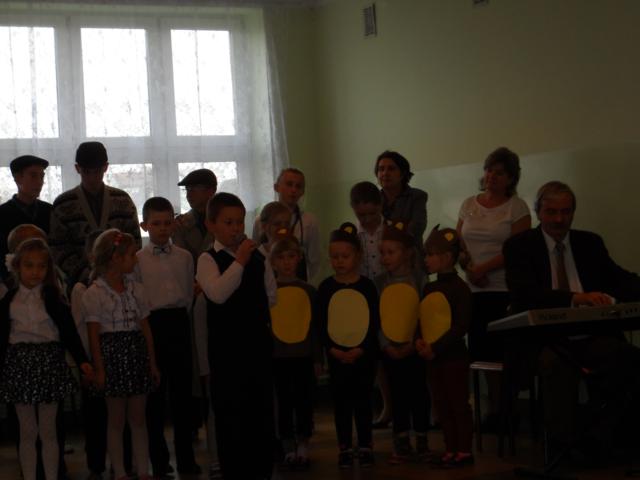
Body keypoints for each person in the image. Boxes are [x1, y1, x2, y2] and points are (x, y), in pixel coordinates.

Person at [503, 181, 640, 458]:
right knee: (556, 365)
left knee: (629, 358)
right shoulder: (520, 246)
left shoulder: (590, 243)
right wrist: (575, 298)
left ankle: (607, 438)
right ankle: (562, 447)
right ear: (538, 212)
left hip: (590, 335)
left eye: (566, 212)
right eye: (551, 212)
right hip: (544, 340)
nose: (559, 219)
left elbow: (618, 279)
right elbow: (524, 294)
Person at [196, 192, 277, 480]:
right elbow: (217, 294)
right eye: (228, 222)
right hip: (227, 354)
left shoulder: (259, 256)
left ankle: (262, 469)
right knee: (231, 417)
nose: (235, 228)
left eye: (239, 222)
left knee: (260, 413)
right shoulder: (207, 259)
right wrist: (240, 262)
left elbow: (271, 295)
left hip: (257, 348)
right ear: (211, 225)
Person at [0, 238, 93, 480]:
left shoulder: (52, 297)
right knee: (27, 431)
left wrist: (82, 360)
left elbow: (69, 331)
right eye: (29, 266)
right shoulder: (9, 301)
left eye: (41, 266)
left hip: (49, 363)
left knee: (49, 430)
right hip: (19, 366)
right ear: (17, 267)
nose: (35, 272)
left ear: (48, 269)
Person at [456, 147, 530, 426]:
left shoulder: (516, 207)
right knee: (482, 350)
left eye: (499, 173)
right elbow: (458, 243)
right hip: (474, 289)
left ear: (510, 178)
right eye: (489, 170)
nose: (491, 176)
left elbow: (517, 249)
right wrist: (469, 268)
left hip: (503, 288)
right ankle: (494, 407)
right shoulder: (469, 203)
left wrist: (484, 269)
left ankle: (508, 408)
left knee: (504, 351)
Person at [83, 229, 160, 480]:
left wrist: (152, 362)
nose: (135, 259)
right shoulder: (95, 293)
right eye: (131, 255)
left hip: (136, 354)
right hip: (112, 357)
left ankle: (143, 469)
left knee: (138, 418)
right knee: (115, 420)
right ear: (116, 258)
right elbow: (94, 335)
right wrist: (100, 369)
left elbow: (145, 328)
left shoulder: (136, 289)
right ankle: (119, 471)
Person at [136, 197, 200, 477]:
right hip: (152, 326)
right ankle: (160, 461)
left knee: (182, 396)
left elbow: (187, 295)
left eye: (167, 223)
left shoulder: (185, 257)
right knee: (155, 398)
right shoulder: (137, 260)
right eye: (156, 223)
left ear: (174, 224)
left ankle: (187, 459)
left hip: (179, 323)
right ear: (145, 226)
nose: (162, 229)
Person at [317, 223, 379, 469]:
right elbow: (321, 323)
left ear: (358, 256)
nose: (340, 261)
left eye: (345, 256)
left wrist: (361, 349)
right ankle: (344, 446)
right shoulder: (326, 288)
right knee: (341, 403)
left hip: (363, 355)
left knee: (363, 400)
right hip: (336, 356)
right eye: (335, 257)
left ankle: (365, 445)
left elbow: (374, 322)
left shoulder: (367, 287)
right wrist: (332, 350)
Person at [416, 226, 474, 467]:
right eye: (426, 255)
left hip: (453, 357)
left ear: (447, 257)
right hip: (433, 358)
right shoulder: (429, 287)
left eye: (430, 254)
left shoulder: (460, 289)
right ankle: (450, 448)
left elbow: (460, 326)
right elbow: (423, 319)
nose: (426, 259)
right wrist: (420, 341)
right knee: (441, 404)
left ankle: (464, 450)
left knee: (458, 403)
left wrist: (436, 347)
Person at [49, 142, 141, 291]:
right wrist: (87, 276)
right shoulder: (63, 204)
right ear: (77, 168)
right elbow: (59, 249)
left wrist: (115, 272)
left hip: (120, 282)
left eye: (97, 171)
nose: (92, 178)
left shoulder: (123, 201)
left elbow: (133, 241)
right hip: (81, 285)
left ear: (106, 167)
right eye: (86, 172)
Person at [376, 222, 430, 464]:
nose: (385, 258)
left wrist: (415, 342)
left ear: (407, 253)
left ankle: (422, 436)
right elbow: (377, 318)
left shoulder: (420, 279)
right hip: (390, 349)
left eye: (391, 252)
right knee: (397, 395)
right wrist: (386, 345)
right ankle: (401, 439)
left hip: (415, 348)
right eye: (382, 253)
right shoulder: (379, 282)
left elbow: (425, 315)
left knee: (419, 393)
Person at [270, 235, 322, 470]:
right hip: (278, 356)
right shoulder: (270, 291)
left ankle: (303, 443)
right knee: (283, 402)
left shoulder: (309, 291)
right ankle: (287, 445)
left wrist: (317, 358)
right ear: (273, 262)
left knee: (304, 401)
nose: (286, 262)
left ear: (298, 258)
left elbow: (314, 328)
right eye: (281, 257)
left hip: (303, 356)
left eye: (291, 257)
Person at [349, 181, 390, 428]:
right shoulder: (353, 235)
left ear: (380, 206)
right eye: (361, 215)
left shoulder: (392, 231)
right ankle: (387, 405)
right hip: (366, 300)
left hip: (391, 297)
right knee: (377, 357)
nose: (366, 220)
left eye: (371, 214)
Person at [253, 168, 321, 282]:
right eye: (289, 184)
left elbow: (314, 260)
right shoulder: (260, 220)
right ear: (276, 187)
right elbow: (256, 252)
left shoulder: (309, 221)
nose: (293, 190)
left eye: (298, 186)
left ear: (302, 192)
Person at [0, 155, 52, 284]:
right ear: (17, 178)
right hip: (10, 283)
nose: (39, 182)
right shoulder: (3, 214)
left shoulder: (50, 211)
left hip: (45, 280)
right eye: (33, 176)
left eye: (42, 176)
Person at [375, 151, 428, 254]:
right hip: (380, 258)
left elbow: (416, 228)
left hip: (410, 258)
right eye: (381, 169)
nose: (385, 173)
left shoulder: (417, 196)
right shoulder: (373, 199)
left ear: (402, 174)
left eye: (391, 169)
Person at [173, 168, 217, 264]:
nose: (188, 195)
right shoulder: (181, 224)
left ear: (211, 190)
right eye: (187, 190)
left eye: (194, 189)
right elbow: (179, 261)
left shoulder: (226, 220)